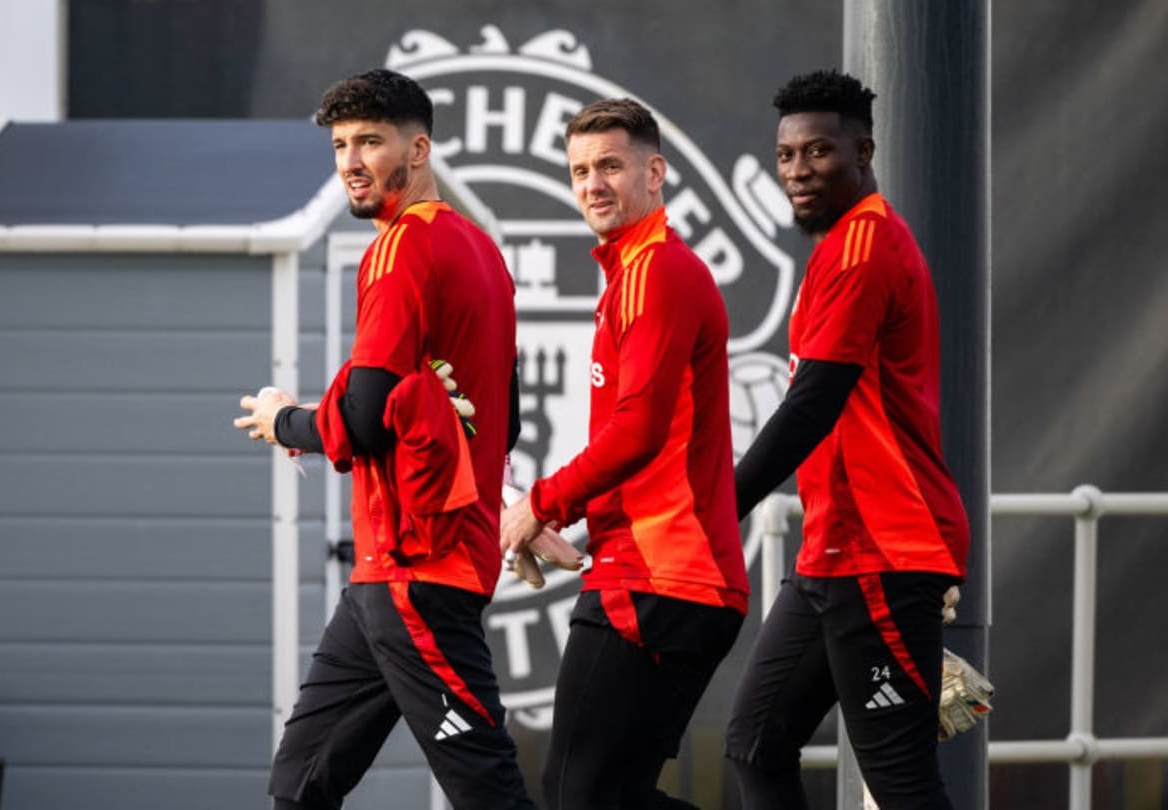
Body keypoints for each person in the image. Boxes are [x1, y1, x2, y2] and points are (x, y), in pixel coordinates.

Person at [233, 68, 534, 810]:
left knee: (487, 790)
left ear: (419, 147)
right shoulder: (484, 252)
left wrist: (285, 422)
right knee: (299, 785)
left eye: (370, 141)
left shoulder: (400, 249)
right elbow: (505, 420)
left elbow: (363, 418)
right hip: (387, 577)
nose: (350, 162)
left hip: (417, 573)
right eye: (340, 145)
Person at [724, 70, 970, 810]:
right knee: (755, 746)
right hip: (832, 554)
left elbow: (811, 407)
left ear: (864, 151)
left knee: (901, 782)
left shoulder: (864, 246)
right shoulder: (838, 248)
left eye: (819, 152)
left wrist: (717, 504)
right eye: (786, 156)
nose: (799, 171)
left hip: (888, 552)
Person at [499, 98, 749, 810]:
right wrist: (564, 523)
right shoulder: (633, 274)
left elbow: (638, 432)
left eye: (610, 165)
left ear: (656, 171)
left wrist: (539, 504)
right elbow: (647, 441)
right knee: (604, 794)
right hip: (662, 575)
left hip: (660, 580)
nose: (593, 184)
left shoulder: (654, 270)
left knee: (579, 794)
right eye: (579, 170)